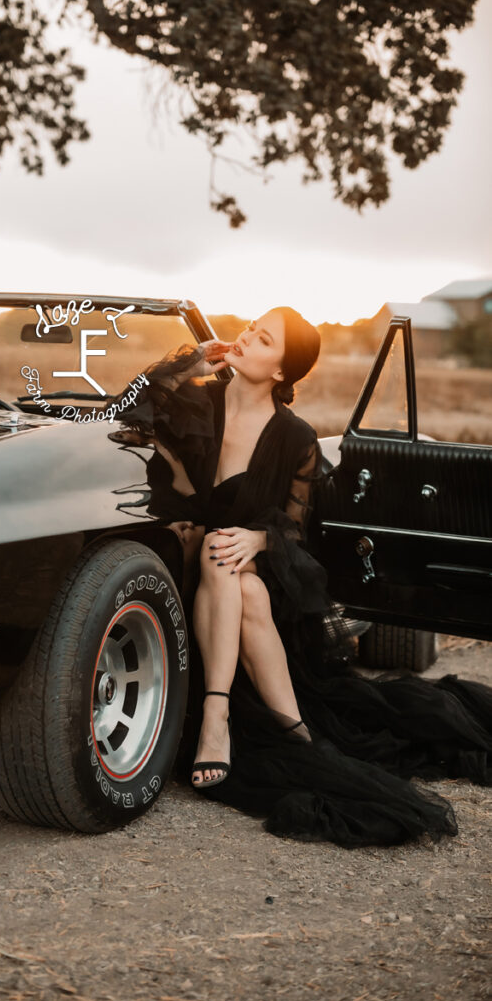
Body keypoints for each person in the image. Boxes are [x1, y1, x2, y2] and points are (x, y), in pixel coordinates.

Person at [108, 307, 492, 847]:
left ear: (282, 372)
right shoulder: (198, 400)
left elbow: (297, 527)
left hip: (249, 578)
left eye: (262, 340)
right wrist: (192, 358)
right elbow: (122, 408)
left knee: (234, 567)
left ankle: (218, 717)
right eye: (250, 328)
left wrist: (259, 539)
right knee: (222, 557)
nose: (245, 339)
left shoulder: (296, 437)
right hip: (178, 565)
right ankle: (295, 729)